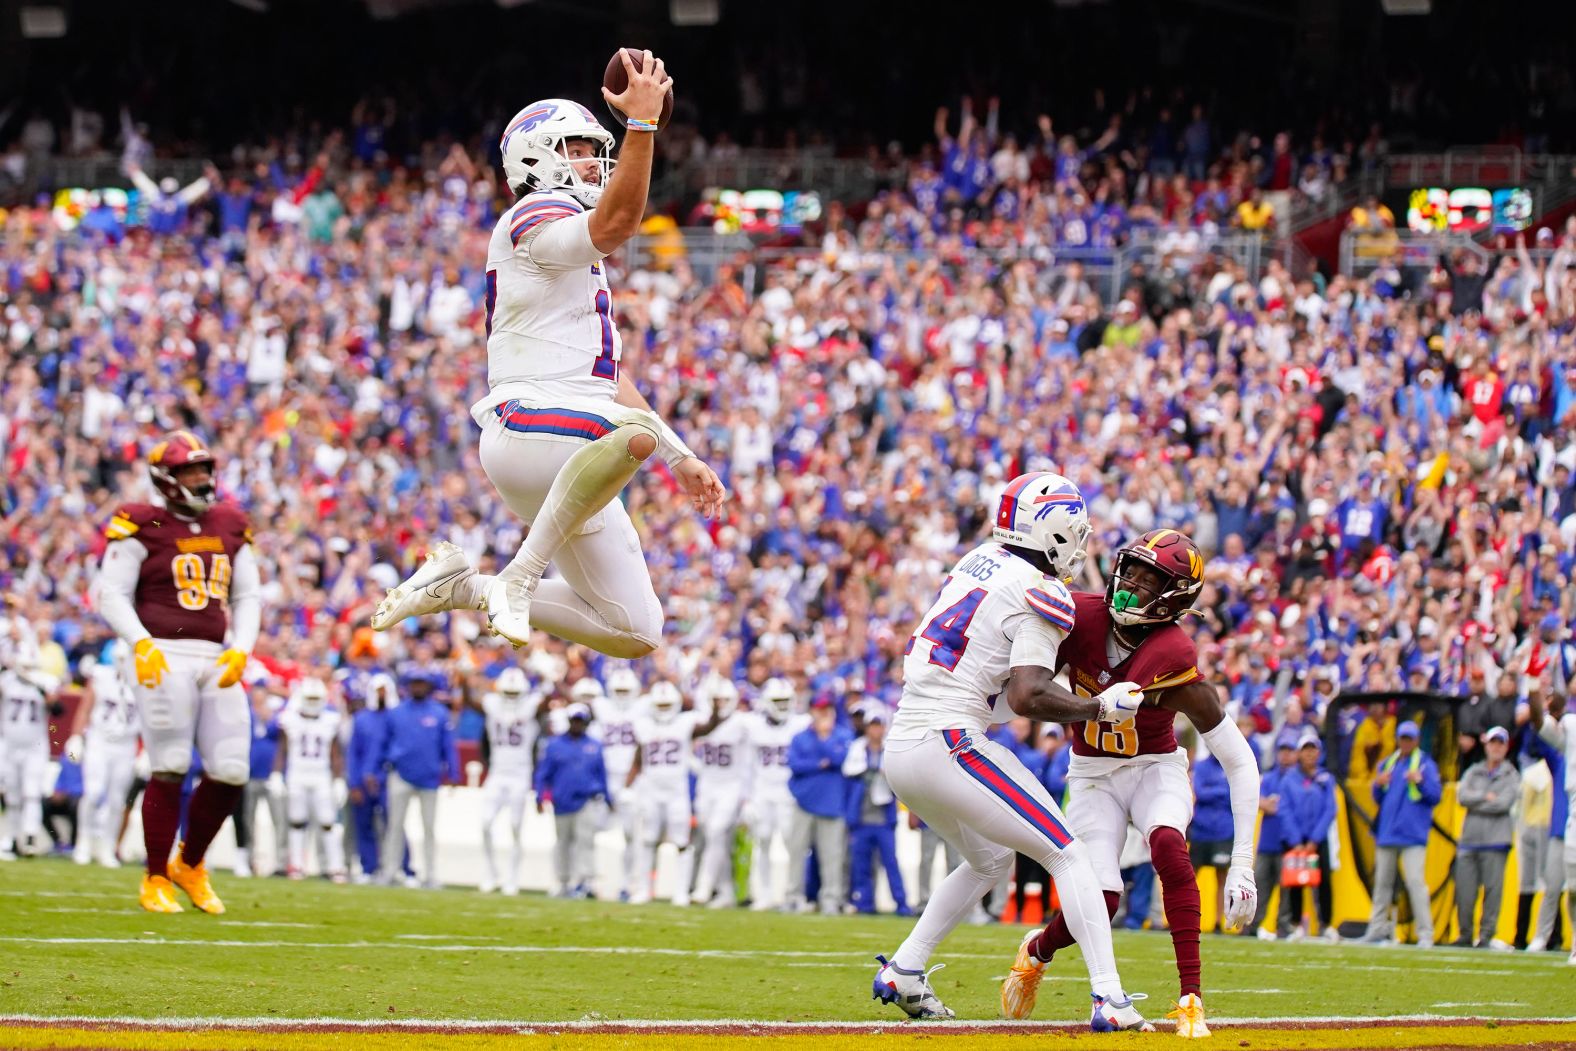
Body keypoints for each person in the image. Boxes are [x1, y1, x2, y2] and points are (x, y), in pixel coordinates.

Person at [370, 53, 726, 658]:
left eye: (596, 148)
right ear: (536, 158)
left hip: (574, 438)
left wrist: (681, 457)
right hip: (529, 426)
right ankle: (519, 573)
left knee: (634, 630)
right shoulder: (532, 213)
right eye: (578, 149)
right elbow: (615, 223)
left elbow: (605, 380)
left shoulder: (569, 243)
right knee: (632, 435)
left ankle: (465, 585)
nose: (593, 160)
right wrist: (640, 127)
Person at [878, 471, 1150, 1031]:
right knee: (1068, 853)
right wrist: (1099, 708)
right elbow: (1026, 696)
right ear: (1053, 531)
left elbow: (997, 689)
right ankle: (1110, 1000)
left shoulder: (981, 559)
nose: (1080, 541)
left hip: (904, 744)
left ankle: (905, 969)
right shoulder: (1041, 589)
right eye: (1075, 529)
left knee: (992, 861)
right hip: (950, 740)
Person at [1004, 529, 1260, 1040]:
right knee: (1103, 899)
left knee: (1168, 843)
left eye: (1150, 579)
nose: (1131, 584)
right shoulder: (1080, 616)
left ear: (1176, 597)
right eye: (1133, 569)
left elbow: (1240, 760)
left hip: (1153, 767)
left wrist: (1242, 864)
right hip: (1092, 773)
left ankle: (1191, 998)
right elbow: (1024, 679)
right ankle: (1038, 950)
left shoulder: (1174, 654)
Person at [90, 432, 261, 914]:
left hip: (215, 654)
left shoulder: (230, 521)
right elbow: (112, 594)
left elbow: (248, 596)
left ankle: (191, 863)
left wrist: (242, 648)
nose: (202, 479)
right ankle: (155, 876)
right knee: (169, 764)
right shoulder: (142, 521)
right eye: (190, 471)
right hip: (161, 651)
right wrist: (140, 643)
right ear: (166, 478)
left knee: (231, 770)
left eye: (204, 470)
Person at [625, 680, 724, 905]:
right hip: (651, 789)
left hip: (676, 791)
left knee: (681, 842)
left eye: (666, 704)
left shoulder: (684, 723)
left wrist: (716, 708)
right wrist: (627, 787)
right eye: (659, 705)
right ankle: (644, 890)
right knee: (648, 840)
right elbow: (638, 759)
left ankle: (680, 892)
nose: (663, 709)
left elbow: (708, 727)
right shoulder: (644, 725)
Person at [1361, 721, 1442, 948]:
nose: (1406, 743)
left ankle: (1426, 933)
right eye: (1403, 738)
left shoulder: (1426, 765)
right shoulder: (1388, 764)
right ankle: (1376, 929)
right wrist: (1377, 785)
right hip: (1387, 833)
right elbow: (1379, 798)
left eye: (1410, 739)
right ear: (1398, 739)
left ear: (1416, 741)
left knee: (1416, 882)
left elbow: (1436, 796)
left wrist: (1422, 782)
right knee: (1382, 884)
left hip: (1412, 834)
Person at [378, 668, 458, 889]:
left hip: (429, 777)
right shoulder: (396, 713)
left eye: (422, 683)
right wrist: (384, 764)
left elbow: (448, 746)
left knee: (429, 828)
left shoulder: (440, 713)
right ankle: (390, 870)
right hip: (401, 773)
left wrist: (453, 772)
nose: (418, 687)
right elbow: (384, 743)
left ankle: (430, 873)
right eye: (414, 683)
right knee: (394, 826)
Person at [71, 641, 141, 867]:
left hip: (126, 744)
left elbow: (150, 720)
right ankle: (83, 842)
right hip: (99, 740)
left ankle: (107, 847)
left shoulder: (143, 682)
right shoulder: (101, 676)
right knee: (93, 792)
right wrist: (76, 736)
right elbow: (85, 708)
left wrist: (146, 750)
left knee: (116, 799)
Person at [1453, 726, 1519, 949]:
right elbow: (1462, 796)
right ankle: (1465, 935)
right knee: (1464, 892)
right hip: (1470, 839)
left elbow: (1503, 803)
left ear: (1506, 746)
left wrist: (1478, 800)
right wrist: (1485, 796)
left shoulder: (1511, 774)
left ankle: (1486, 937)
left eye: (1500, 743)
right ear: (1486, 745)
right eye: (1493, 742)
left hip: (1496, 841)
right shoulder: (1474, 770)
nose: (1496, 747)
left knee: (1492, 892)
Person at [276, 677, 348, 882]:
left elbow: (335, 754)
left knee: (328, 822)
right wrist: (276, 774)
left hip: (321, 774)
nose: (313, 702)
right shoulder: (289, 719)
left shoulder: (330, 720)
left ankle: (336, 866)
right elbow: (282, 749)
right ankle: (297, 865)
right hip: (297, 773)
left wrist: (339, 779)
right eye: (310, 698)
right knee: (296, 822)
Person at [534, 702, 608, 898]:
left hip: (587, 799)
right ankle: (563, 881)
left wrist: (607, 797)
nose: (577, 724)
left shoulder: (594, 745)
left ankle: (587, 882)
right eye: (574, 720)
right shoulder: (554, 745)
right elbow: (544, 773)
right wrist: (540, 796)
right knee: (562, 843)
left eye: (580, 721)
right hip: (562, 801)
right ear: (569, 721)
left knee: (586, 841)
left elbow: (602, 774)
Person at [787, 695, 853, 915]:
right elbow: (795, 764)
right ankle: (793, 896)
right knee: (796, 851)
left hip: (832, 803)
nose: (822, 714)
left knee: (832, 855)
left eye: (826, 709)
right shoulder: (800, 737)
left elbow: (839, 759)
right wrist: (820, 763)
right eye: (818, 709)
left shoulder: (843, 734)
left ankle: (831, 899)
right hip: (803, 801)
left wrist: (824, 739)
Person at [478, 668, 540, 896]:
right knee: (485, 823)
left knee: (515, 827)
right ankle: (491, 873)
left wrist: (545, 677)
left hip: (520, 774)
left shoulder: (532, 704)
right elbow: (470, 701)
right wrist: (464, 679)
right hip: (497, 773)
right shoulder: (492, 703)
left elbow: (547, 701)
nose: (511, 696)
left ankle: (512, 878)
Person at [745, 677, 805, 911]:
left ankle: (793, 893)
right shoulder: (753, 725)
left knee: (794, 845)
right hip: (762, 792)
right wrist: (747, 798)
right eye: (777, 701)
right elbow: (747, 766)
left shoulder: (800, 723)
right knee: (763, 842)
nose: (782, 705)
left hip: (789, 793)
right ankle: (766, 892)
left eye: (786, 700)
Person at [843, 708, 909, 916]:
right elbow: (848, 772)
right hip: (861, 816)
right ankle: (865, 903)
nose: (876, 730)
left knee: (891, 862)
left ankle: (901, 904)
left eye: (879, 726)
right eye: (872, 726)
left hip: (883, 817)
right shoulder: (857, 749)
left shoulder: (890, 749)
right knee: (861, 864)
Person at [691, 677, 749, 908]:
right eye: (717, 699)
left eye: (725, 699)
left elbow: (751, 758)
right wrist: (695, 767)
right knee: (714, 837)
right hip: (707, 784)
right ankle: (725, 890)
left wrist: (747, 794)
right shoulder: (700, 720)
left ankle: (704, 887)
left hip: (730, 785)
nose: (721, 703)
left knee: (716, 832)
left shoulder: (742, 722)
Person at [1528, 686, 1576, 965]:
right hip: (1574, 807)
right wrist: (1535, 690)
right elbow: (1539, 722)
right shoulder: (1570, 724)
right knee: (1573, 885)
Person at [588, 669, 643, 900]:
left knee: (631, 834)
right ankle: (589, 881)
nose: (621, 695)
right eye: (618, 690)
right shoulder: (601, 707)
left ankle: (628, 883)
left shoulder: (644, 708)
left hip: (633, 780)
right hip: (606, 778)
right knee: (591, 830)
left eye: (625, 690)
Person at [0, 651, 61, 858]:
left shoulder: (45, 682)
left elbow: (59, 710)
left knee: (32, 792)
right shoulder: (6, 680)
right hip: (9, 744)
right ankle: (12, 838)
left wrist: (44, 692)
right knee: (12, 794)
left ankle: (30, 837)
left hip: (35, 746)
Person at [1279, 729, 1338, 941]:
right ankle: (1296, 924)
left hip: (1317, 840)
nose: (1310, 754)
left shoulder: (1325, 778)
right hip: (1296, 841)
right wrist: (1296, 841)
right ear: (1299, 753)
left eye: (1314, 749)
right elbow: (1284, 810)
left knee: (1324, 882)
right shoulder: (1289, 779)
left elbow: (1330, 809)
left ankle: (1327, 924)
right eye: (1306, 749)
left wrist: (1314, 839)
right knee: (1295, 883)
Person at [346, 673, 397, 883]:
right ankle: (368, 867)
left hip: (387, 780)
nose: (382, 695)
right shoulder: (361, 718)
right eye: (379, 690)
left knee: (394, 826)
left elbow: (397, 750)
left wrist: (381, 774)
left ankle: (399, 867)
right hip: (363, 780)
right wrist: (355, 782)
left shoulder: (396, 717)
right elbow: (353, 753)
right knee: (363, 825)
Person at [1251, 734, 1301, 940]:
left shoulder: (1297, 779)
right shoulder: (1270, 777)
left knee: (1287, 888)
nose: (1286, 755)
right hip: (1267, 841)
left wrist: (1270, 804)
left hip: (1288, 841)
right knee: (1259, 885)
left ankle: (1283, 925)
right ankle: (1252, 925)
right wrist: (1267, 803)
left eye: (1289, 751)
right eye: (1283, 750)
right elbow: (1259, 801)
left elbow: (1284, 806)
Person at [1189, 742, 1234, 934]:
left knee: (1222, 877)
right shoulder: (1201, 766)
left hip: (1223, 830)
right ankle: (1184, 919)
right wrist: (1221, 791)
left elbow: (1233, 793)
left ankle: (1218, 922)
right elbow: (1199, 792)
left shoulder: (1231, 765)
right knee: (1190, 877)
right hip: (1201, 829)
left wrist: (1212, 791)